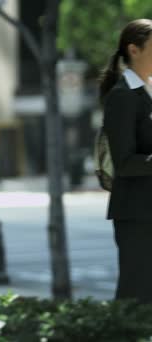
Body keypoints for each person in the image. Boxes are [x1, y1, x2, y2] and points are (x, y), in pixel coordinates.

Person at [100, 18, 152, 303]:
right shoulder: (122, 97)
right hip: (137, 214)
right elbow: (125, 162)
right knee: (136, 294)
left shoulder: (149, 91)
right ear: (134, 50)